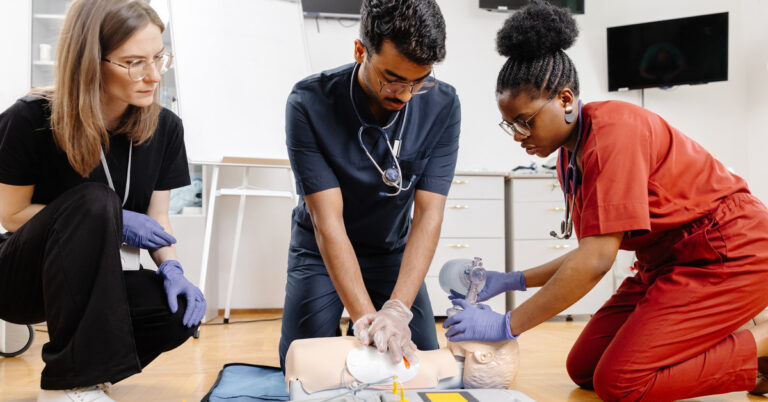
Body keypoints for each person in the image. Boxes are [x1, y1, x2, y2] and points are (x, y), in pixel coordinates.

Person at [443, 1, 768, 400]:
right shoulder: (567, 155)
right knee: (584, 368)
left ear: (565, 99)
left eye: (525, 120)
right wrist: (512, 280)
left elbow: (596, 261)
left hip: (728, 253)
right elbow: (589, 251)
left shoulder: (615, 131)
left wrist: (507, 325)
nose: (518, 135)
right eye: (510, 124)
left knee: (620, 382)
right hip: (665, 263)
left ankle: (762, 344)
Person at [0, 0, 206, 400]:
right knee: (96, 200)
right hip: (20, 280)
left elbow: (158, 215)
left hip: (97, 281)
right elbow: (10, 216)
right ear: (90, 61)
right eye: (134, 62)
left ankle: (90, 373)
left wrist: (173, 269)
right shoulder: (29, 119)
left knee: (176, 315)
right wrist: (115, 220)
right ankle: (65, 385)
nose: (152, 76)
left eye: (158, 58)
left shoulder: (165, 129)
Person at [279, 0, 461, 371]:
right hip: (320, 250)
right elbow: (326, 222)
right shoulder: (309, 103)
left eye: (418, 81)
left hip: (390, 252)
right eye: (392, 78)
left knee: (418, 359)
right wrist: (367, 321)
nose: (405, 94)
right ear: (361, 50)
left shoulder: (442, 104)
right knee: (304, 364)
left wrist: (395, 312)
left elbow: (429, 215)